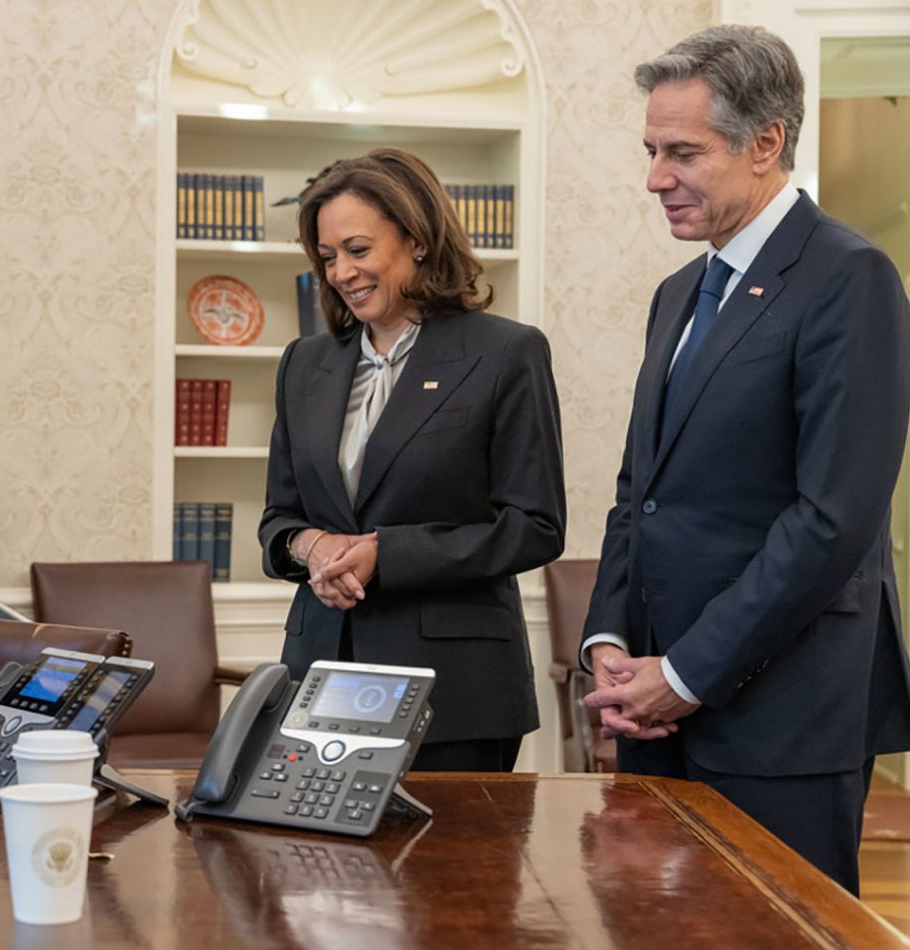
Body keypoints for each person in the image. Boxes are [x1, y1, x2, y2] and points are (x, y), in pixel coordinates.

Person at [581, 25, 910, 894]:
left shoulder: (851, 277)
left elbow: (832, 518)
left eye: (682, 151)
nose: (655, 177)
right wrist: (610, 639)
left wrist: (687, 673)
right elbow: (638, 494)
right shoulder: (678, 293)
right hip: (653, 712)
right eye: (652, 150)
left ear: (766, 143)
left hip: (781, 720)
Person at [258, 148, 566, 772]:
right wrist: (311, 547)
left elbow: (536, 527)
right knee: (318, 870)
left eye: (358, 249)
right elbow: (278, 521)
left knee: (453, 873)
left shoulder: (506, 353)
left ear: (417, 241)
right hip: (320, 676)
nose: (341, 271)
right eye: (327, 257)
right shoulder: (305, 363)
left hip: (454, 692)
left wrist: (386, 554)